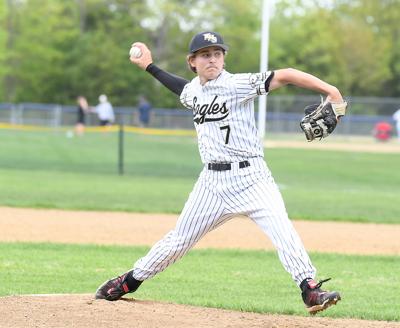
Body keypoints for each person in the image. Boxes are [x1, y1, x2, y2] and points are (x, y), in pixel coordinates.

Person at [95, 31, 345, 314]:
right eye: (205, 55)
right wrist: (149, 66)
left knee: (283, 231)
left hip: (253, 178)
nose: (212, 59)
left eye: (217, 54)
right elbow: (179, 87)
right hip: (212, 183)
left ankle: (310, 289)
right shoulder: (193, 91)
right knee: (178, 241)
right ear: (192, 62)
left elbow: (286, 74)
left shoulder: (238, 84)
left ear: (224, 58)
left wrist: (332, 92)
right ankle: (130, 281)